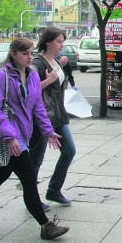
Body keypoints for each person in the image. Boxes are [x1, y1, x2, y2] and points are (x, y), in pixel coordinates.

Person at [0, 38, 69, 240]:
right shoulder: (0, 77)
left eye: (31, 53)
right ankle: (46, 226)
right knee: (29, 181)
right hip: (10, 137)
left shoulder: (32, 76)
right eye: (25, 54)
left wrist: (48, 131)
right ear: (13, 54)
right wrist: (9, 137)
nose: (30, 58)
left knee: (0, 175)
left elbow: (37, 107)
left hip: (24, 135)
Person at [30, 27, 76, 207]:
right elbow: (28, 90)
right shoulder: (38, 64)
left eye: (63, 42)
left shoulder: (56, 61)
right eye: (58, 41)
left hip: (58, 115)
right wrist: (47, 81)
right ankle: (32, 199)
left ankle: (54, 190)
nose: (61, 45)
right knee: (36, 160)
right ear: (47, 41)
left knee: (69, 150)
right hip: (42, 117)